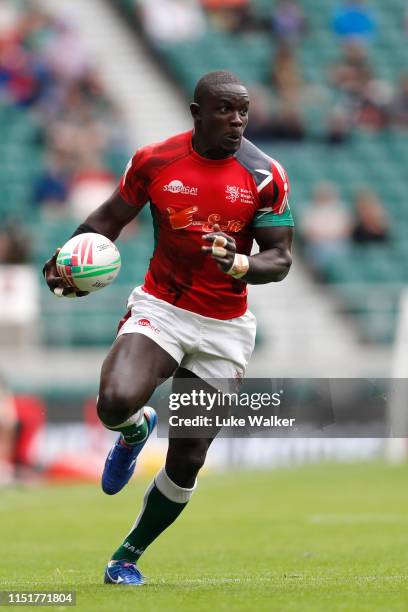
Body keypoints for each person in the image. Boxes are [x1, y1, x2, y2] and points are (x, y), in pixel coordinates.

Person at [43, 71, 294, 586]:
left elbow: (280, 259)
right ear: (196, 111)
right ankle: (135, 428)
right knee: (114, 401)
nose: (237, 120)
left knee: (188, 457)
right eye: (225, 110)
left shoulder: (265, 175)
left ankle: (127, 557)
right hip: (164, 309)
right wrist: (66, 259)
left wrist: (241, 265)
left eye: (243, 111)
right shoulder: (155, 160)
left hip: (224, 329)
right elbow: (111, 217)